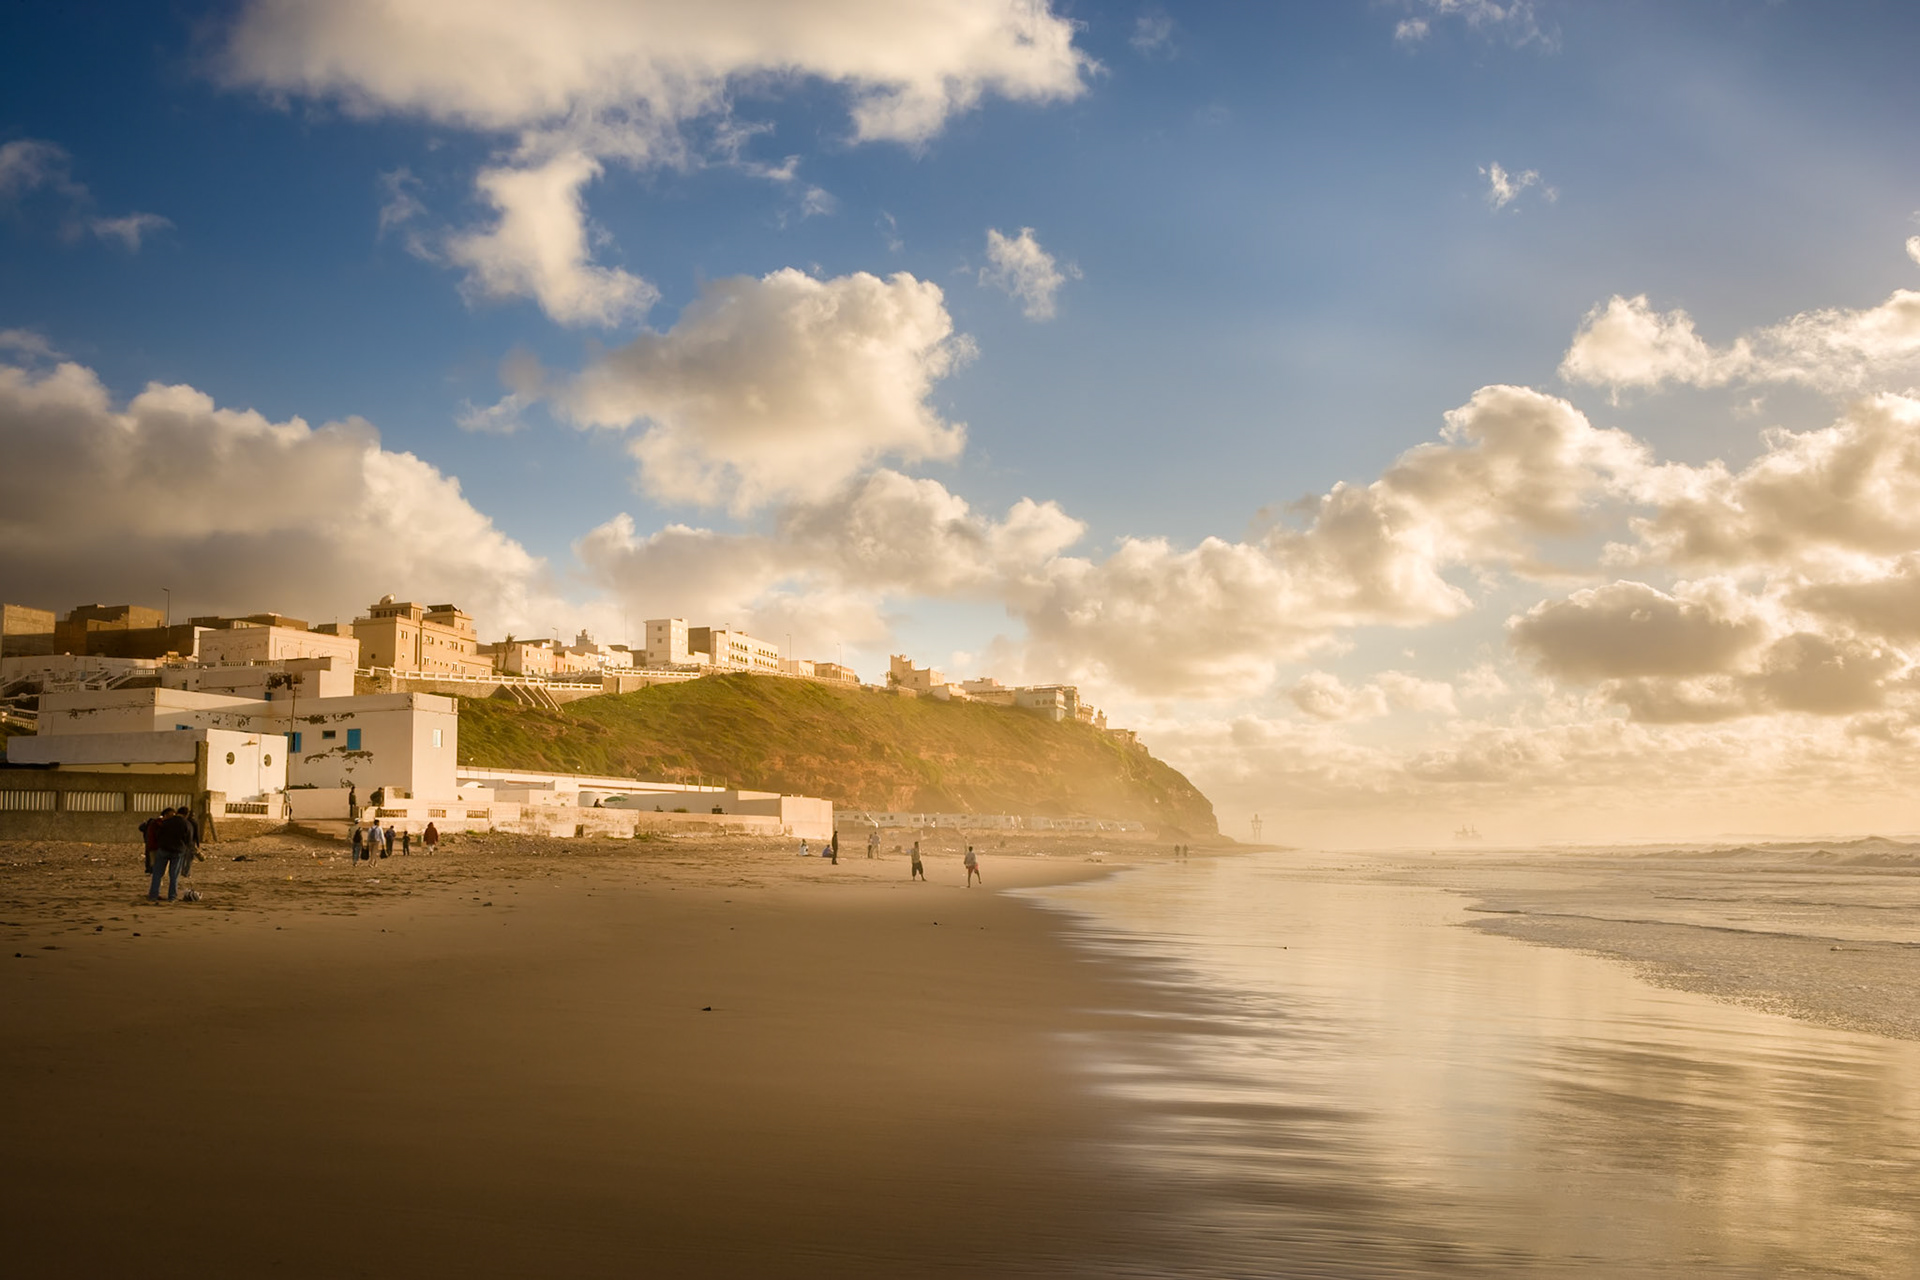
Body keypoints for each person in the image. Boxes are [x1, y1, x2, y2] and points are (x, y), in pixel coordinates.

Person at [148, 808, 194, 902]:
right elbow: (189, 839)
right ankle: (172, 897)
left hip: (163, 849)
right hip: (178, 851)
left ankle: (153, 895)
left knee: (157, 874)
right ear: (186, 814)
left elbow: (158, 834)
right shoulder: (187, 824)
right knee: (174, 875)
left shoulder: (167, 822)